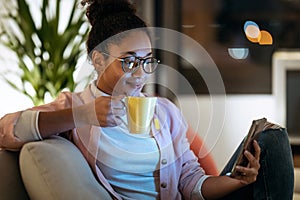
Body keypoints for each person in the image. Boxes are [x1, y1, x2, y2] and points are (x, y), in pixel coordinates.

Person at [0, 0, 294, 199]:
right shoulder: (77, 108)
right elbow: (7, 130)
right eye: (129, 62)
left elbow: (191, 182)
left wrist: (237, 180)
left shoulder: (164, 111)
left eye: (148, 61)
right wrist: (82, 115)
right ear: (99, 60)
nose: (141, 74)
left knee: (272, 139)